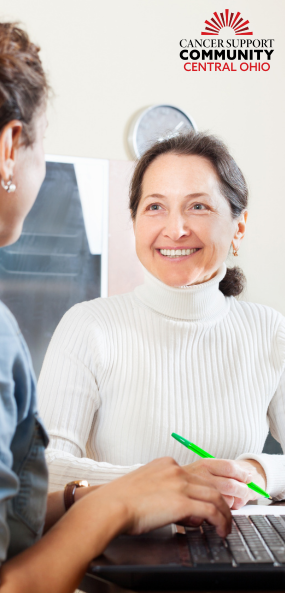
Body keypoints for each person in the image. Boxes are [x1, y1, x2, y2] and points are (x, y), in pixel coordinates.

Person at [0, 4, 232, 593]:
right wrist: (110, 511)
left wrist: (89, 498)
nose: (178, 228)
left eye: (199, 206)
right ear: (9, 148)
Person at [38, 132, 285, 508]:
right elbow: (41, 470)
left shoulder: (269, 330)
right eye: (155, 207)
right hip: (121, 557)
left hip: (236, 556)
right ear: (135, 220)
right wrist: (170, 484)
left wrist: (259, 472)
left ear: (239, 226)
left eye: (198, 207)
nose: (176, 229)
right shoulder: (88, 326)